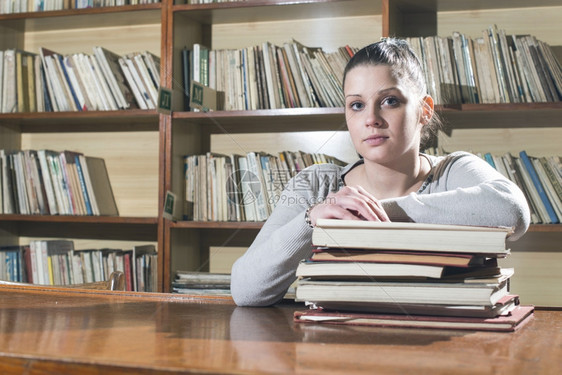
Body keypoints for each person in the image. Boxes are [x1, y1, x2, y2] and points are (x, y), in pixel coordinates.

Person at [230, 38, 531, 307]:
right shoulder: (316, 185)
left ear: (425, 110)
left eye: (390, 101)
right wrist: (312, 222)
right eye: (357, 105)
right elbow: (245, 291)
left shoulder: (453, 172)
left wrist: (367, 215)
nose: (371, 118)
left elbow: (512, 211)